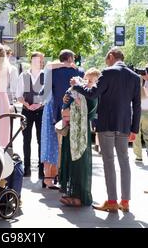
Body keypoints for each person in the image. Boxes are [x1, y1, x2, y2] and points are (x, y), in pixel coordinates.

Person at [70, 47, 141, 212]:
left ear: (111, 56)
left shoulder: (107, 72)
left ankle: (111, 201)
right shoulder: (135, 77)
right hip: (124, 125)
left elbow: (93, 93)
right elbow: (136, 105)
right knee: (124, 161)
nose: (105, 61)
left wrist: (76, 85)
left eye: (106, 58)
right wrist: (134, 129)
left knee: (108, 161)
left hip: (106, 124)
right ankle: (125, 201)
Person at [59, 68, 101, 207]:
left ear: (97, 82)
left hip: (81, 134)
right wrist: (67, 100)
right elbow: (68, 101)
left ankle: (79, 197)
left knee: (79, 165)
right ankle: (71, 193)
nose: (87, 83)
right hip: (71, 130)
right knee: (71, 162)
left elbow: (88, 112)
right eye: (86, 79)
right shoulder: (81, 91)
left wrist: (75, 102)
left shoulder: (94, 95)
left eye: (91, 80)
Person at [40, 59, 79, 188]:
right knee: (57, 145)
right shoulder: (74, 71)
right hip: (61, 110)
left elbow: (43, 94)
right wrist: (66, 64)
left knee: (50, 143)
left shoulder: (52, 73)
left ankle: (49, 177)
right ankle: (52, 177)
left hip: (51, 110)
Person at [16, 52, 45, 178]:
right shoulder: (24, 75)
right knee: (26, 140)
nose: (36, 63)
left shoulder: (46, 76)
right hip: (26, 111)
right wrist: (28, 105)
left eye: (39, 60)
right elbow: (19, 95)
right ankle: (27, 168)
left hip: (41, 111)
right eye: (34, 60)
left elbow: (47, 95)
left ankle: (41, 169)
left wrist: (38, 105)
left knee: (40, 140)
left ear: (42, 62)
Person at [133, 73, 148, 162]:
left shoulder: (137, 85)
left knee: (136, 133)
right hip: (145, 111)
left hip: (139, 111)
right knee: (146, 133)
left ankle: (138, 156)